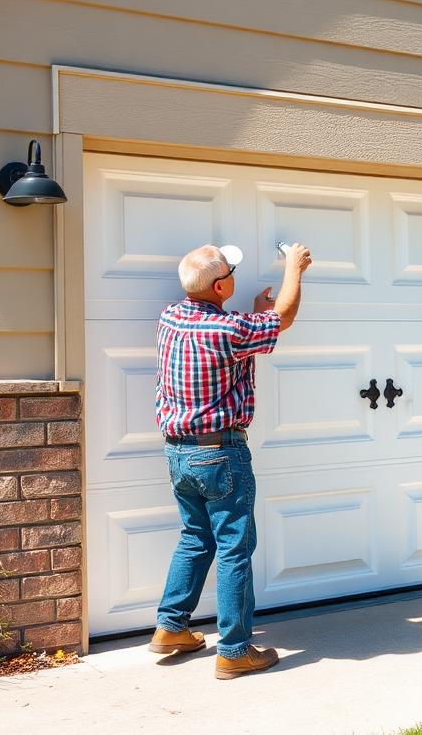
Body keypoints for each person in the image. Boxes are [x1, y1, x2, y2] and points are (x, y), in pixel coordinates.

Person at [148, 241, 311, 680]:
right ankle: (235, 651)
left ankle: (170, 627)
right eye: (231, 274)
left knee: (195, 537)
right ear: (222, 286)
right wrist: (294, 268)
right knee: (234, 549)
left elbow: (241, 326)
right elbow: (285, 317)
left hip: (178, 451)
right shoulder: (231, 330)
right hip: (221, 453)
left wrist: (255, 311)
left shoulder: (169, 317)